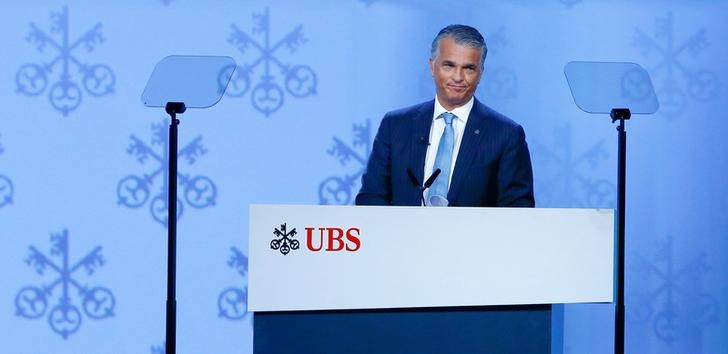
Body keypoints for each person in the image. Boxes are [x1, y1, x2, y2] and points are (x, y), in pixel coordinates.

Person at [355, 24, 534, 207]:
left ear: (480, 74)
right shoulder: (395, 126)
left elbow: (517, 211)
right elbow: (370, 199)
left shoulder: (506, 134)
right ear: (432, 67)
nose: (458, 77)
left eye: (469, 68)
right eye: (449, 65)